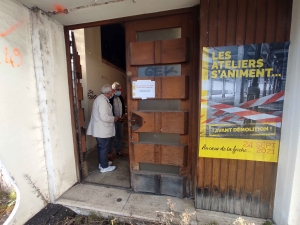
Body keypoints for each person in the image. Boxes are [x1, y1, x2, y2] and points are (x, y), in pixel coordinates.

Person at [87, 84, 119, 173]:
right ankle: (104, 167)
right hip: (102, 130)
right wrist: (114, 118)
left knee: (101, 148)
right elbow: (104, 117)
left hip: (100, 129)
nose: (112, 93)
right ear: (109, 92)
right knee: (104, 148)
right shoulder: (102, 101)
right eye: (111, 92)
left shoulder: (101, 99)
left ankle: (102, 164)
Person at [109, 81, 127, 157]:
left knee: (120, 136)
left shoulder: (121, 98)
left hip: (120, 121)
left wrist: (123, 115)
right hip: (113, 121)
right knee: (112, 137)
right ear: (113, 90)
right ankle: (110, 153)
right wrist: (115, 118)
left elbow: (122, 108)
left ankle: (118, 151)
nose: (119, 91)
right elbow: (109, 110)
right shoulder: (110, 99)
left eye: (120, 89)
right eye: (117, 89)